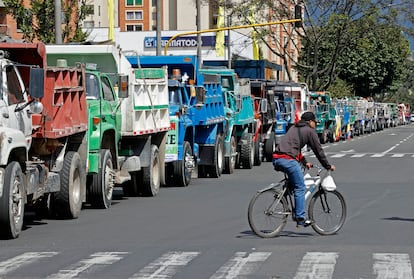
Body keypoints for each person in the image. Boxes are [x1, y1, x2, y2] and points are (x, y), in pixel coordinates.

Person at [272, 111, 336, 227]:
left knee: (293, 183)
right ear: (310, 122)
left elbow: (293, 148)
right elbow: (318, 151)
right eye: (314, 122)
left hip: (277, 158)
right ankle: (300, 217)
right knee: (300, 186)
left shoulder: (294, 127)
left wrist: (305, 162)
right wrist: (327, 165)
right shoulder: (310, 131)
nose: (315, 125)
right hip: (288, 160)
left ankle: (284, 196)